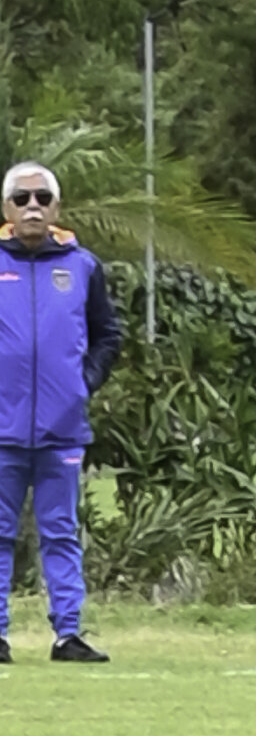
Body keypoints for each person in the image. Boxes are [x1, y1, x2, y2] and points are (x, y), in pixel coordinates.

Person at [0, 161, 122, 665]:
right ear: (7, 208)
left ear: (56, 207)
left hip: (62, 429)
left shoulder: (83, 266)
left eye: (42, 198)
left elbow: (108, 335)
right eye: (22, 198)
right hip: (2, 431)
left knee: (61, 533)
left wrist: (80, 385)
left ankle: (68, 635)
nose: (33, 206)